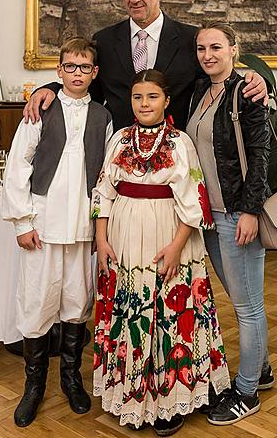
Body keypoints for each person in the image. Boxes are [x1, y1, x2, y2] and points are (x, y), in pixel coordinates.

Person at [92, 69, 230, 436]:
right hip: (123, 235)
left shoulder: (180, 142)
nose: (144, 104)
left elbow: (194, 201)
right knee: (132, 310)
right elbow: (104, 191)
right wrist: (102, 239)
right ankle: (130, 391)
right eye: (138, 97)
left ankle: (170, 399)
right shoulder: (120, 139)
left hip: (169, 235)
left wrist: (176, 246)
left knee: (168, 309)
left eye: (152, 97)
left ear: (166, 101)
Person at [0, 38, 113, 427]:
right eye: (70, 67)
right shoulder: (41, 110)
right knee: (36, 304)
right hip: (43, 227)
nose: (77, 73)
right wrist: (22, 222)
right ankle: (33, 387)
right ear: (59, 71)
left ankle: (70, 378)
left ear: (94, 74)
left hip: (81, 229)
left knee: (77, 303)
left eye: (84, 68)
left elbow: (104, 176)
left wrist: (101, 227)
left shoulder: (103, 115)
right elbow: (18, 165)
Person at [23, 0, 267, 131]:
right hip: (120, 158)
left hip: (177, 161)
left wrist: (255, 81)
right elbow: (86, 90)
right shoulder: (105, 40)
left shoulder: (190, 39)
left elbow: (218, 83)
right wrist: (51, 89)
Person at [186, 20, 272, 426]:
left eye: (216, 47)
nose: (208, 55)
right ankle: (264, 369)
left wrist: (251, 211)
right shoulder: (202, 93)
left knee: (247, 306)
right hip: (210, 217)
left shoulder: (246, 92)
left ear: (234, 50)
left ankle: (248, 390)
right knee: (242, 299)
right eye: (202, 48)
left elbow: (260, 154)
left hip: (237, 214)